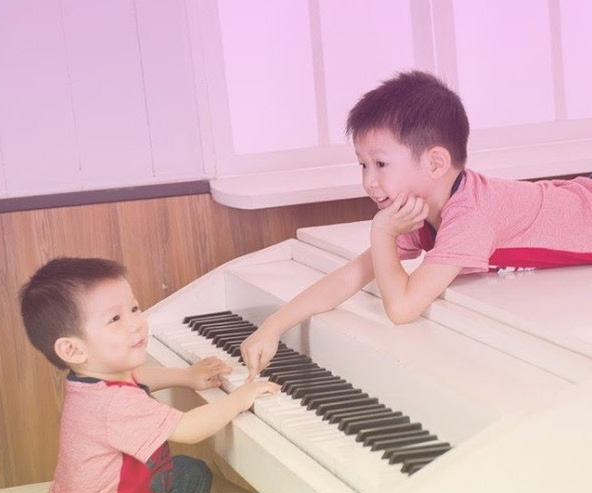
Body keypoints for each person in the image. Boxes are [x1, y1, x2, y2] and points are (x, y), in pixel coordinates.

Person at [240, 69, 592, 380]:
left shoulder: (470, 217)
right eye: (362, 165)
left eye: (380, 164)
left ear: (436, 163)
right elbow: (350, 276)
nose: (369, 182)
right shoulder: (418, 210)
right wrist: (273, 327)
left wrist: (381, 232)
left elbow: (402, 308)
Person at [19, 257, 334, 493]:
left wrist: (187, 376)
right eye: (115, 318)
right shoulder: (111, 404)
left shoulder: (97, 377)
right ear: (72, 350)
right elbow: (190, 428)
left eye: (134, 308)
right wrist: (239, 398)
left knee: (190, 472)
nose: (136, 323)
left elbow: (140, 377)